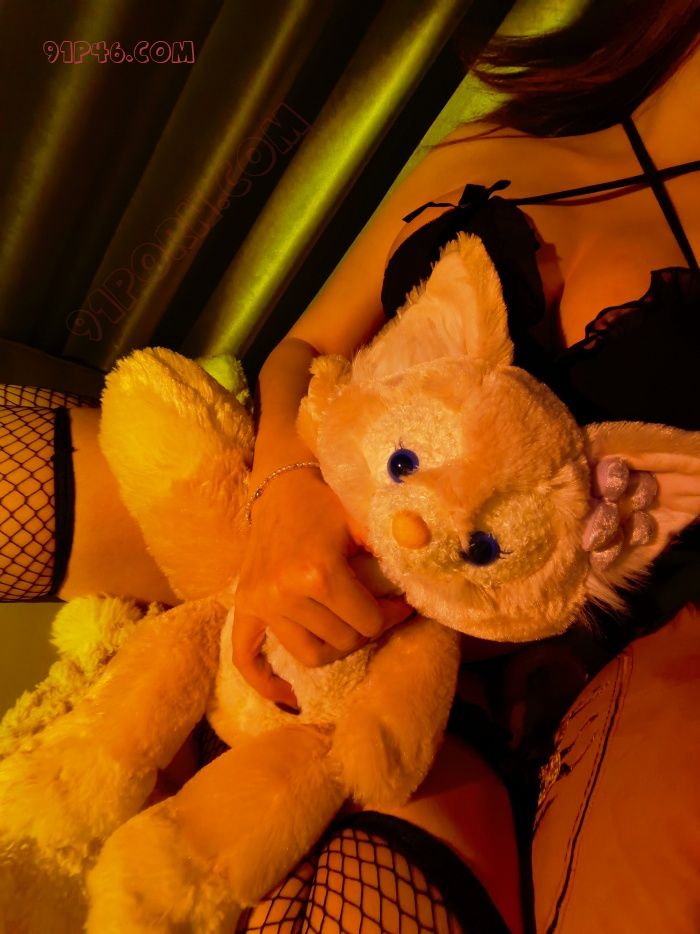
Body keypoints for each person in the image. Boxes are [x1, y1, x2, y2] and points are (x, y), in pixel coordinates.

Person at [1, 2, 698, 930]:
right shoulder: (511, 136)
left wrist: (446, 626)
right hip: (289, 494)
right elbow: (302, 350)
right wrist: (286, 498)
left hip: (453, 678)